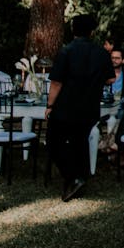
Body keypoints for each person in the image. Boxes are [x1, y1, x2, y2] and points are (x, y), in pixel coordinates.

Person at [45, 14, 115, 202]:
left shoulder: (66, 52)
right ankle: (80, 177)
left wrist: (50, 105)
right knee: (80, 141)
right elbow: (111, 79)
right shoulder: (101, 53)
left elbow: (56, 83)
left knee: (53, 142)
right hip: (90, 107)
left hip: (66, 107)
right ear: (91, 31)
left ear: (73, 30)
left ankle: (73, 176)